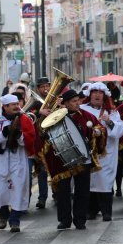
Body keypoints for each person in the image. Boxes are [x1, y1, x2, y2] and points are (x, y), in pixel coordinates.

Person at [38, 89, 106, 230]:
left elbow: (99, 126)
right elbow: (43, 132)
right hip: (63, 161)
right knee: (63, 192)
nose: (78, 103)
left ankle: (80, 220)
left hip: (83, 159)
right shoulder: (56, 117)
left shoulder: (86, 116)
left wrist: (98, 132)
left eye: (78, 101)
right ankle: (64, 220)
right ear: (66, 104)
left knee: (82, 192)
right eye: (74, 101)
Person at [0, 94, 36, 232]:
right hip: (0, 162)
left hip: (18, 161)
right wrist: (3, 134)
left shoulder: (24, 119)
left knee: (18, 190)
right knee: (1, 190)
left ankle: (15, 221)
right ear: (5, 107)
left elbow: (30, 140)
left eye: (17, 103)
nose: (16, 106)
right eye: (12, 104)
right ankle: (3, 216)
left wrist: (20, 136)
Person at [81, 83, 123, 221]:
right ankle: (91, 211)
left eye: (100, 93)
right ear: (89, 94)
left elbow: (121, 130)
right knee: (89, 181)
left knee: (104, 182)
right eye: (95, 92)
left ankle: (107, 212)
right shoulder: (82, 109)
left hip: (105, 154)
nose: (97, 95)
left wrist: (110, 122)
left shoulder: (111, 112)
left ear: (105, 96)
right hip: (87, 153)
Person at [31, 76, 51, 209]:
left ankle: (56, 193)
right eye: (42, 87)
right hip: (37, 141)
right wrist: (39, 112)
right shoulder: (34, 102)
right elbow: (27, 115)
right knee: (42, 171)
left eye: (46, 86)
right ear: (38, 89)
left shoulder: (52, 101)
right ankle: (42, 198)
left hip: (50, 139)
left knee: (54, 169)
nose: (45, 89)